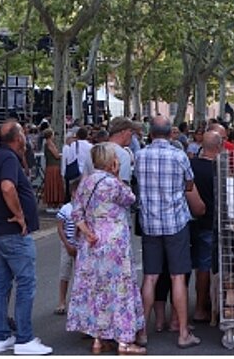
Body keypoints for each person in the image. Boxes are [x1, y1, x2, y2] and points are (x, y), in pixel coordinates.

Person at [66, 143, 146, 355]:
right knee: (120, 289)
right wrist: (117, 175)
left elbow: (76, 213)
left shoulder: (85, 183)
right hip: (114, 242)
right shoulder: (113, 183)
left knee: (97, 289)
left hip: (92, 241)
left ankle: (98, 339)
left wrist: (87, 232)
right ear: (111, 161)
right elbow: (131, 199)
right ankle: (123, 341)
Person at [135, 115, 202, 349]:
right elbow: (190, 185)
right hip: (175, 223)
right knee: (178, 277)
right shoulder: (179, 156)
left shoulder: (140, 156)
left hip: (150, 224)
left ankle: (142, 331)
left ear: (151, 133)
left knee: (150, 277)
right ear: (170, 133)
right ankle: (183, 333)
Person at [0, 121, 51, 355]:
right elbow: (7, 187)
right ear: (18, 138)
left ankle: (1, 333)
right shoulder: (9, 159)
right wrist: (19, 215)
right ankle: (24, 338)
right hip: (13, 232)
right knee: (26, 282)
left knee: (2, 281)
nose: (25, 136)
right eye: (22, 132)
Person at [189, 130, 221, 325]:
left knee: (186, 267)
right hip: (210, 222)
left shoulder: (190, 166)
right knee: (204, 266)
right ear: (218, 147)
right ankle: (201, 308)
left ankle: (187, 309)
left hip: (190, 222)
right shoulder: (218, 169)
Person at [53, 194, 76, 317]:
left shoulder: (85, 208)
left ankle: (76, 302)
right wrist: (67, 244)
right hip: (67, 244)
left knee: (80, 275)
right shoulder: (66, 209)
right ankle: (62, 301)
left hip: (80, 247)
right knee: (64, 273)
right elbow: (60, 227)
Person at [104, 117, 136, 185]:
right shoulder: (123, 155)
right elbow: (123, 185)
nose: (132, 134)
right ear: (123, 132)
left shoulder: (93, 150)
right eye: (130, 131)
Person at [41, 127, 65, 208]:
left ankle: (52, 203)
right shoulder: (50, 144)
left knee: (51, 185)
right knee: (54, 184)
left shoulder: (46, 144)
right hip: (53, 167)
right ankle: (53, 203)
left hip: (50, 166)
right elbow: (56, 155)